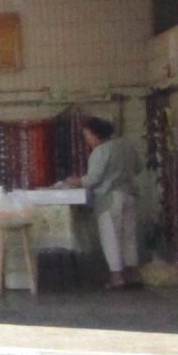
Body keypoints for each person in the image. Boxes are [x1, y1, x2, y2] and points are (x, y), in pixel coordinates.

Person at [68, 116, 143, 289]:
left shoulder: (100, 151)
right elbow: (138, 168)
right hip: (129, 194)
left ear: (97, 134)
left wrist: (75, 181)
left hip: (109, 198)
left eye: (88, 136)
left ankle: (116, 276)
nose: (87, 140)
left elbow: (92, 179)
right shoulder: (126, 145)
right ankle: (133, 273)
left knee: (110, 237)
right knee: (129, 235)